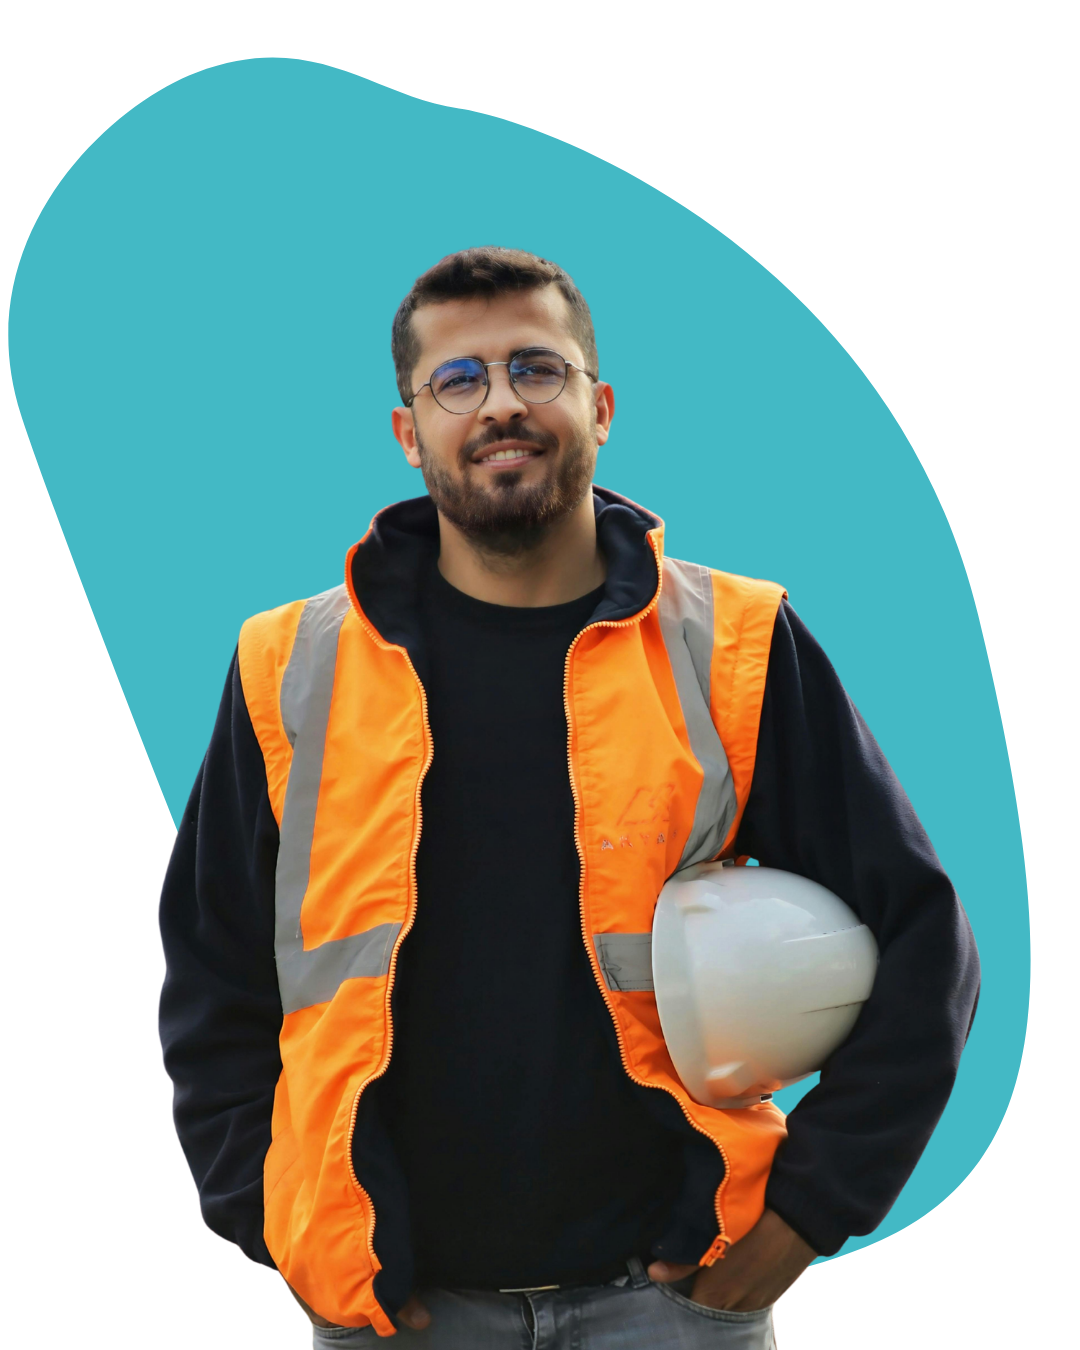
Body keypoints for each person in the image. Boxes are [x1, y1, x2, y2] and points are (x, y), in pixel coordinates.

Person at [157, 247, 981, 1349]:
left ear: (599, 406)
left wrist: (801, 1221)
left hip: (678, 1304)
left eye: (535, 369)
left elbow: (928, 943)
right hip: (391, 1316)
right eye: (459, 380)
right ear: (409, 433)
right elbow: (209, 974)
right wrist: (269, 1228)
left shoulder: (729, 644)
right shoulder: (288, 667)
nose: (501, 404)